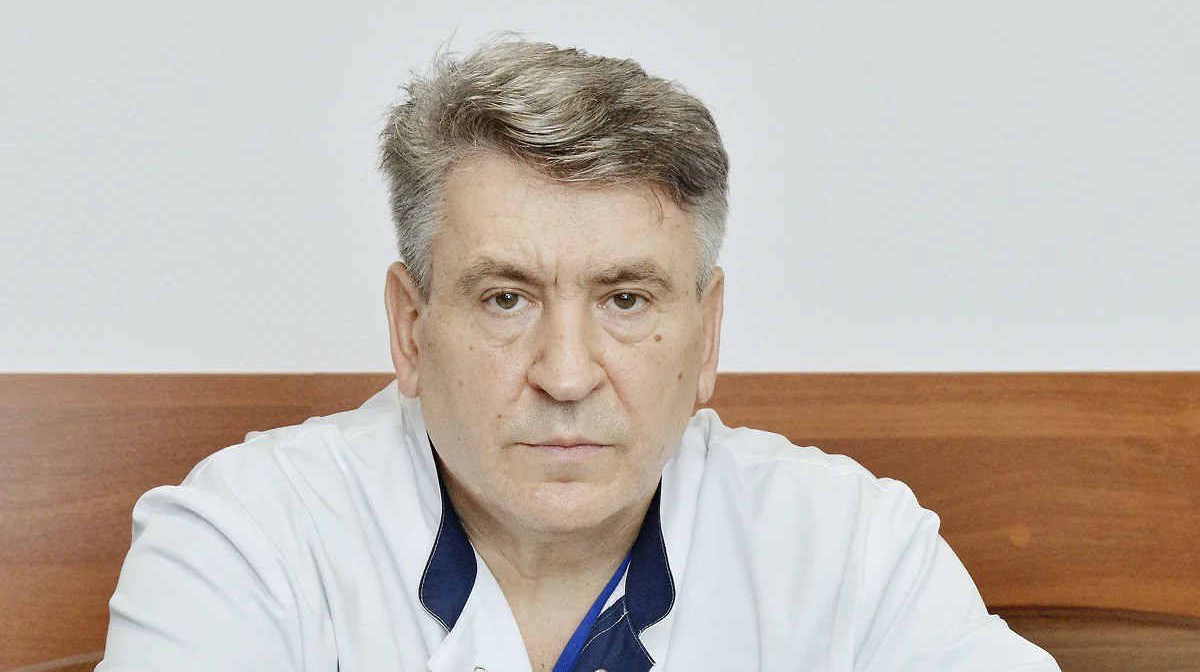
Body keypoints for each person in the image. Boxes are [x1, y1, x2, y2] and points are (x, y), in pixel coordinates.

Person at [97, 39, 1060, 671]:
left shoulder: (849, 550)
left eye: (625, 299)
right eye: (506, 298)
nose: (565, 374)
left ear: (707, 334)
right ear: (409, 328)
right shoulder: (245, 545)